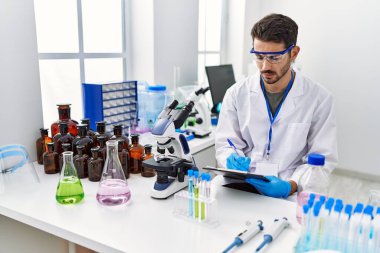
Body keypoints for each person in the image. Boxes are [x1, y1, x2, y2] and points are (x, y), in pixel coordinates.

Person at [215, 13, 338, 198]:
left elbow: (321, 160)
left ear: (293, 53)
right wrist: (231, 158)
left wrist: (291, 186)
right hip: (243, 185)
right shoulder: (236, 94)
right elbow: (225, 144)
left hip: (290, 190)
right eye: (259, 56)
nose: (265, 66)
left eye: (274, 57)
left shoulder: (319, 99)